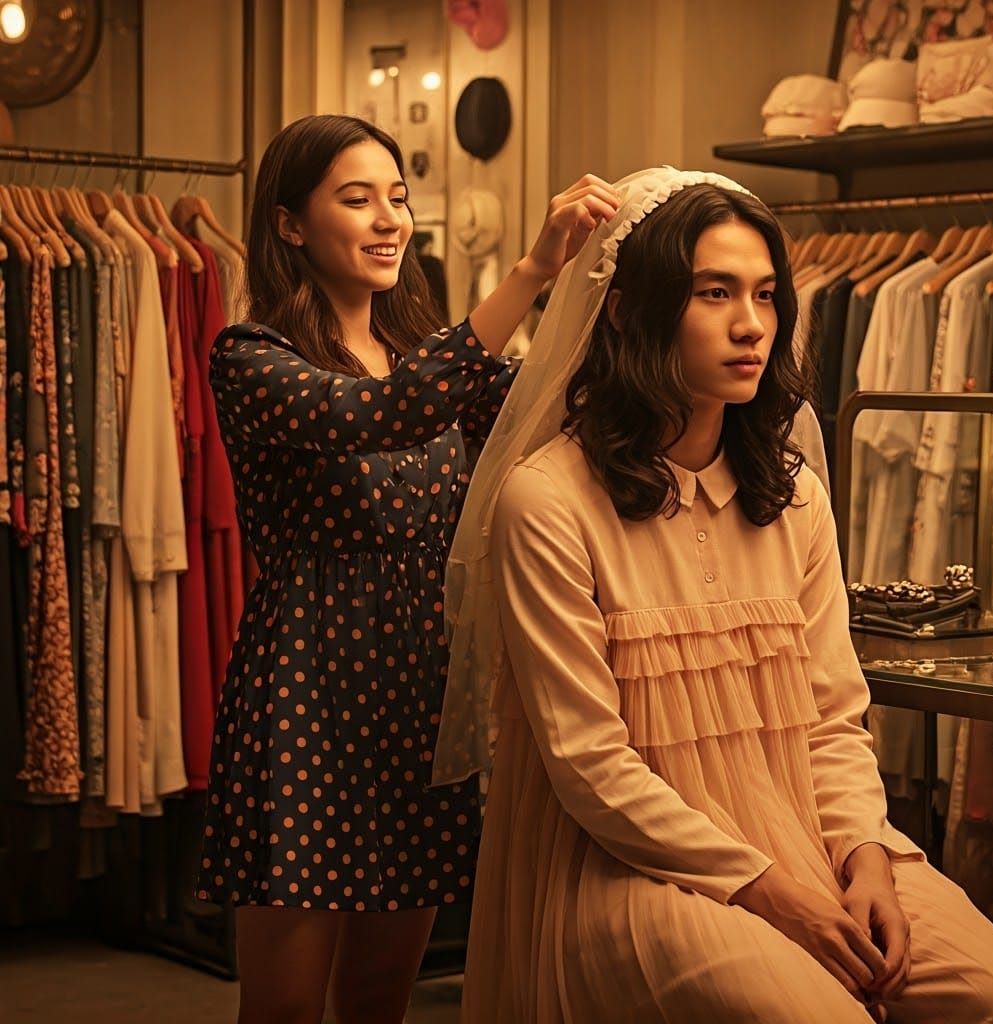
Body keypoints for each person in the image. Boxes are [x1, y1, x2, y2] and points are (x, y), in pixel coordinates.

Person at [436, 167, 993, 1023]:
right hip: (628, 862)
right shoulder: (548, 500)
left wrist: (864, 854)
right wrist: (774, 895)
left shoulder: (795, 495)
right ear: (629, 311)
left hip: (805, 827)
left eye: (766, 294)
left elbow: (832, 719)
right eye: (715, 292)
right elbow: (591, 765)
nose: (752, 324)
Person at [194, 113, 620, 1024]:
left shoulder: (433, 359)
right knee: (285, 1007)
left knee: (382, 996)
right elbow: (379, 414)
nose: (390, 220)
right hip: (306, 697)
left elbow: (549, 414)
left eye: (397, 197)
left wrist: (609, 284)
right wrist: (530, 272)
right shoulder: (252, 357)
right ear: (288, 224)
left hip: (424, 695)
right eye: (358, 199)